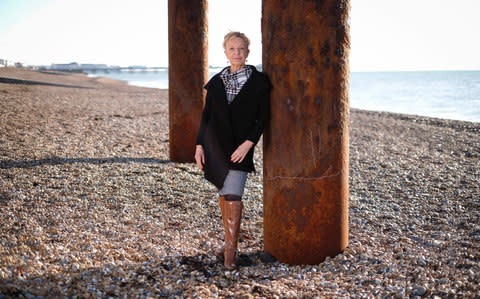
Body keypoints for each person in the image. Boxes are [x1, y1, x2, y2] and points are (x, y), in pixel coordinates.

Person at [194, 31, 272, 270]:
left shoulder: (259, 82)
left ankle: (230, 252)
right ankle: (228, 244)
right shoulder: (217, 81)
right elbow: (206, 116)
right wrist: (199, 145)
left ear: (248, 53)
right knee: (224, 193)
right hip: (214, 144)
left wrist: (249, 144)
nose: (237, 53)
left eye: (241, 49)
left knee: (233, 195)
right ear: (225, 52)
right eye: (232, 49)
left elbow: (263, 117)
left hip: (240, 146)